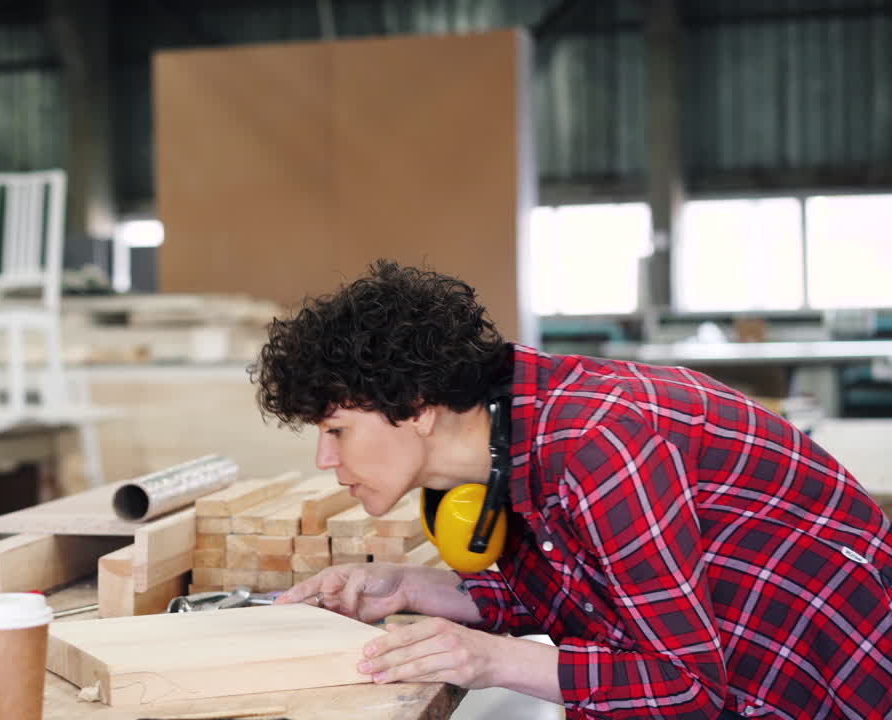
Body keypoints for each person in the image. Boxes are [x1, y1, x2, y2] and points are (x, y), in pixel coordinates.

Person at [257, 260, 892, 720]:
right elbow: (591, 585)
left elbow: (685, 687)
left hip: (834, 682)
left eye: (337, 429)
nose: (324, 458)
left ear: (418, 406)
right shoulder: (511, 428)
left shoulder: (598, 446)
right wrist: (422, 589)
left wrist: (491, 660)